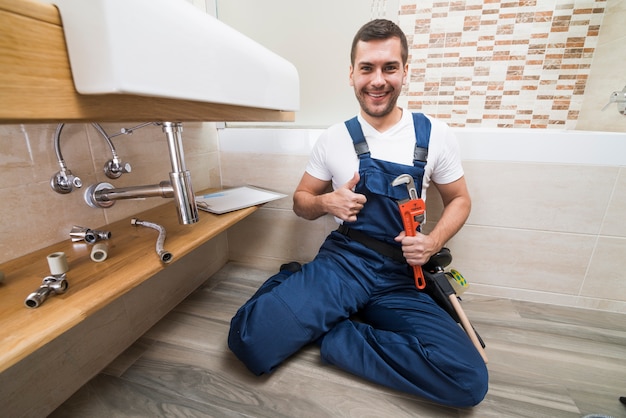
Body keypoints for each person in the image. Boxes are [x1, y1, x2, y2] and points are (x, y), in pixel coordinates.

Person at [228, 18, 488, 408]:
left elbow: (461, 200)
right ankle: (299, 286)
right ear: (352, 74)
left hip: (401, 276)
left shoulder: (435, 134)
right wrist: (324, 202)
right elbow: (301, 200)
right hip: (344, 265)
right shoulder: (333, 138)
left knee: (468, 382)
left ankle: (335, 335)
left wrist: (433, 241)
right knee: (248, 342)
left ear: (405, 71)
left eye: (389, 67)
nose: (378, 80)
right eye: (367, 68)